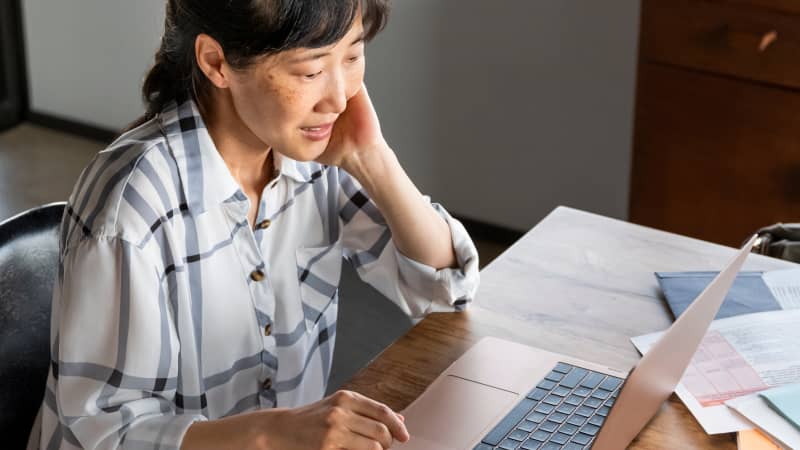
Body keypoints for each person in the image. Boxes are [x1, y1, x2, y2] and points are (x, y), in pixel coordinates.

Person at [33, 0, 479, 448]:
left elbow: (442, 289)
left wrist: (372, 157)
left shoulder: (312, 153)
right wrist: (271, 435)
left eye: (352, 56)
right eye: (310, 72)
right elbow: (103, 430)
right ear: (216, 62)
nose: (339, 98)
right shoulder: (131, 207)